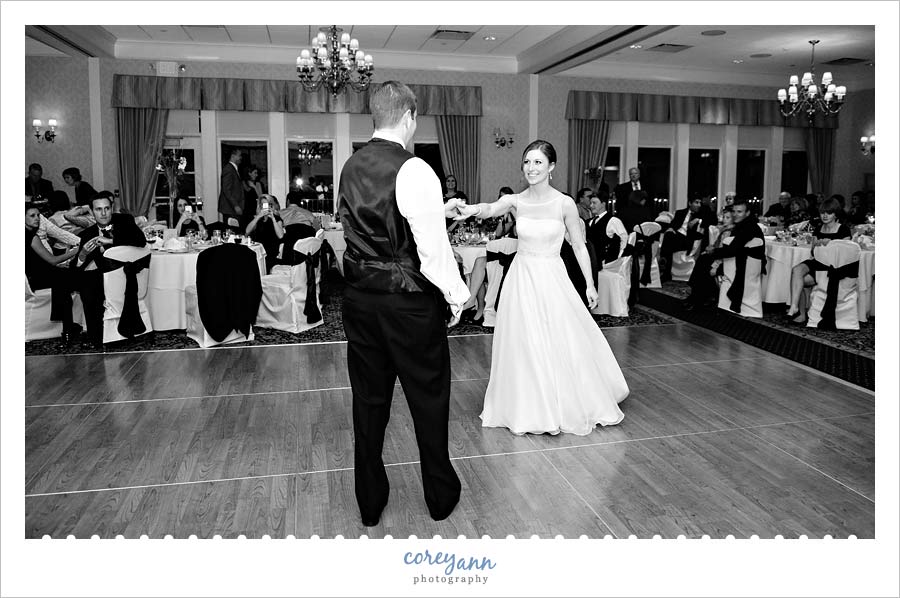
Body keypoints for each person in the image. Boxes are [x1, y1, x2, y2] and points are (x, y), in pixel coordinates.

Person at [338, 81, 470, 527]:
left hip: (360, 300)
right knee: (428, 399)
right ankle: (439, 497)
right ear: (410, 116)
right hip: (407, 303)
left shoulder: (350, 165)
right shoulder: (415, 169)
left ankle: (370, 503)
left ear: (375, 115)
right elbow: (432, 250)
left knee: (369, 402)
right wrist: (457, 297)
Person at [457, 139, 629, 436]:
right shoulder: (517, 201)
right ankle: (531, 406)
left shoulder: (564, 203)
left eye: (537, 162)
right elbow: (488, 208)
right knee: (525, 341)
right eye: (527, 162)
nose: (531, 168)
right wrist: (466, 209)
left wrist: (590, 283)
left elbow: (577, 244)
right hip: (522, 278)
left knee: (557, 338)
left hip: (552, 276)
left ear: (551, 167)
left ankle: (562, 402)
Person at [74, 191, 147, 347]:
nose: (104, 213)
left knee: (90, 283)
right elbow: (77, 267)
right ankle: (97, 338)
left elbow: (140, 241)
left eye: (107, 208)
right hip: (102, 278)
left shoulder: (125, 221)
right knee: (87, 283)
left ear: (112, 208)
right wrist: (82, 254)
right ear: (92, 211)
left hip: (126, 276)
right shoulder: (87, 234)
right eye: (99, 209)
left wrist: (110, 240)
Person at [682, 197, 762, 310]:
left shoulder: (747, 227)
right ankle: (698, 296)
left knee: (704, 262)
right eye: (734, 211)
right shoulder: (742, 225)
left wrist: (713, 252)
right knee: (703, 259)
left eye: (739, 212)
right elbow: (731, 249)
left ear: (747, 213)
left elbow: (733, 249)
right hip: (737, 259)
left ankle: (701, 297)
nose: (735, 214)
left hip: (744, 264)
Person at [784, 196, 851, 324]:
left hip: (832, 266)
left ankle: (801, 313)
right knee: (796, 269)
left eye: (829, 213)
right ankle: (794, 306)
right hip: (817, 262)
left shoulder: (843, 229)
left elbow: (846, 253)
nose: (825, 216)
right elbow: (813, 253)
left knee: (801, 281)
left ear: (835, 214)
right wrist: (816, 245)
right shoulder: (818, 228)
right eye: (822, 213)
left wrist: (831, 243)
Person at [26, 203, 82, 342]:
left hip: (34, 277)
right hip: (40, 277)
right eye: (32, 216)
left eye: (38, 215)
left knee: (62, 281)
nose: (37, 219)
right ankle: (69, 328)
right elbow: (52, 260)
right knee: (72, 279)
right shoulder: (32, 237)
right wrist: (76, 251)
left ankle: (68, 328)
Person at [660, 197, 707, 281]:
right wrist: (670, 228)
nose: (699, 205)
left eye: (700, 203)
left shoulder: (702, 214)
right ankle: (666, 270)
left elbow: (712, 220)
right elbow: (673, 225)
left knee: (668, 241)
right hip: (677, 235)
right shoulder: (680, 212)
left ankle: (664, 264)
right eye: (696, 202)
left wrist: (698, 220)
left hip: (688, 238)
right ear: (690, 203)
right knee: (668, 234)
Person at [586, 193, 628, 266]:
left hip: (605, 265)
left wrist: (618, 259)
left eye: (594, 203)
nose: (591, 206)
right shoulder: (589, 221)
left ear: (603, 204)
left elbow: (624, 239)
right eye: (590, 203)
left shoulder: (613, 221)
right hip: (591, 262)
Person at [246, 194, 284, 273]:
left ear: (271, 205)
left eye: (267, 204)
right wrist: (258, 216)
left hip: (270, 252)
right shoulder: (258, 219)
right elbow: (247, 231)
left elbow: (280, 236)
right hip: (257, 249)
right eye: (263, 205)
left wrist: (273, 218)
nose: (265, 207)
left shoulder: (277, 218)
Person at [218, 149, 243, 223]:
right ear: (233, 156)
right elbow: (226, 189)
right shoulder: (229, 169)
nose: (241, 158)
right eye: (239, 155)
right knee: (231, 231)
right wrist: (235, 205)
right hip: (230, 208)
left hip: (231, 208)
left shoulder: (233, 169)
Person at [241, 164, 263, 230]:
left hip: (255, 210)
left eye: (257, 173)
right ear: (249, 173)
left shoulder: (258, 184)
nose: (257, 175)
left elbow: (261, 198)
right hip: (246, 211)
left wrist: (254, 187)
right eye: (255, 173)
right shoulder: (243, 183)